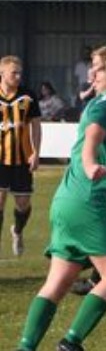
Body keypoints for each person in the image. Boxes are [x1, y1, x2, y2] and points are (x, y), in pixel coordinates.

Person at [11, 47, 106, 351]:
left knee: (57, 283)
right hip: (86, 204)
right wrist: (88, 165)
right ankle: (71, 342)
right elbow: (92, 139)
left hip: (69, 202)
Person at [0, 56, 42, 257]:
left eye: (19, 73)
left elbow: (35, 126)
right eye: (13, 73)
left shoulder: (28, 96)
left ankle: (17, 231)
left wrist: (36, 152)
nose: (17, 77)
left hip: (22, 159)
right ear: (2, 73)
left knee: (23, 204)